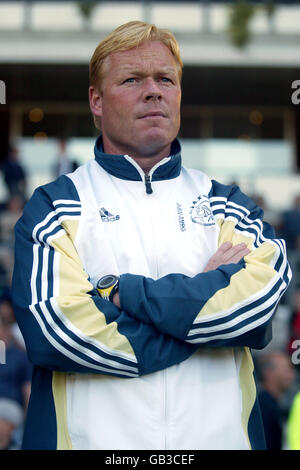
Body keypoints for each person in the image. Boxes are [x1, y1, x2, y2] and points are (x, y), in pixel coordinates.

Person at [12, 21, 291, 450]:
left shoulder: (230, 204)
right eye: (132, 79)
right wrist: (202, 313)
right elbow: (58, 335)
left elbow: (253, 312)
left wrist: (122, 294)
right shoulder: (54, 207)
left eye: (166, 79)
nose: (154, 91)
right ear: (96, 100)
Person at [256, 351, 295, 450]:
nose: (292, 375)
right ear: (269, 373)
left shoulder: (271, 404)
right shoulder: (263, 408)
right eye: (286, 370)